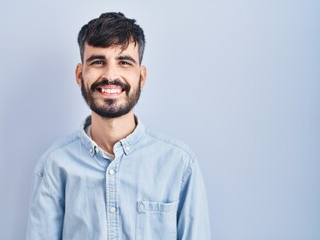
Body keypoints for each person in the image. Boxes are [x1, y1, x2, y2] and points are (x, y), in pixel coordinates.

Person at [26, 12, 211, 240]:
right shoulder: (54, 166)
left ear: (141, 77)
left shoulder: (180, 165)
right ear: (79, 74)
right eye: (98, 62)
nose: (111, 75)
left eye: (124, 62)